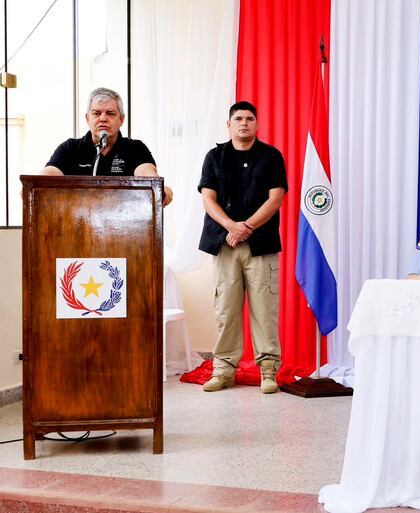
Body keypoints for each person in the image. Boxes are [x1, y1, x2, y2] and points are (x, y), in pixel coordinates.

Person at [197, 101, 287, 394]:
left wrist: (245, 226)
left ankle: (269, 371)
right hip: (225, 244)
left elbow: (275, 199)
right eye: (238, 119)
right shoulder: (215, 156)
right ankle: (223, 370)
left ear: (257, 125)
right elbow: (208, 199)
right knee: (226, 310)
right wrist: (231, 227)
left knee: (264, 310)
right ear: (229, 124)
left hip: (260, 244)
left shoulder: (272, 157)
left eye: (249, 119)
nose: (244, 123)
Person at [40, 87, 172, 206]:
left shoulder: (135, 148)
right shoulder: (70, 148)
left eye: (110, 113)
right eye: (96, 113)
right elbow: (51, 173)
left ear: (121, 119)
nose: (103, 118)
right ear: (87, 118)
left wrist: (158, 186)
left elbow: (146, 172)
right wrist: (33, 185)